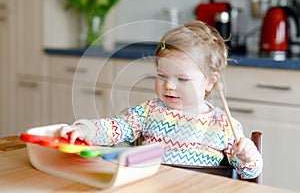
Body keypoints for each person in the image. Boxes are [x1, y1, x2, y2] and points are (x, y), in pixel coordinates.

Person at [60, 21, 263, 179]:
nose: (169, 86)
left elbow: (249, 173)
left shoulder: (224, 125)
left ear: (209, 82)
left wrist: (247, 157)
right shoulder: (148, 112)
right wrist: (85, 130)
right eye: (162, 76)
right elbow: (115, 127)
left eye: (182, 79)